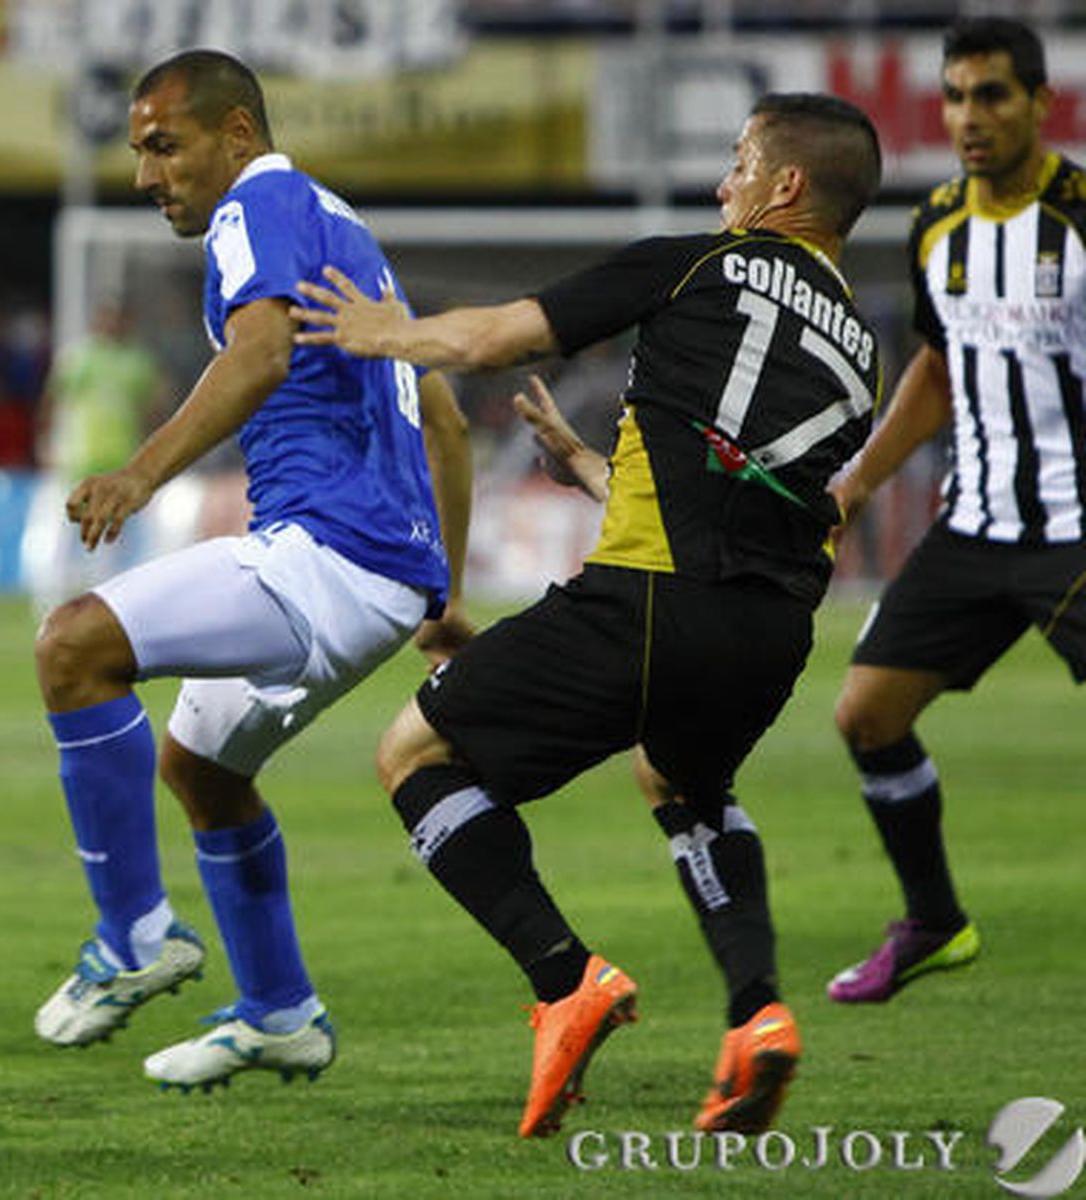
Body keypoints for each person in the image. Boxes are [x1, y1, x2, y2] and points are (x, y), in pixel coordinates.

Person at [293, 93, 882, 1136]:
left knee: (414, 754)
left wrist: (387, 333)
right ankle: (756, 1016)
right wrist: (596, 471)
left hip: (645, 603)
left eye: (740, 162)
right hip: (769, 635)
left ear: (784, 185)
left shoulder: (694, 261)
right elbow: (746, 503)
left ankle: (565, 982)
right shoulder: (856, 355)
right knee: (681, 777)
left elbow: (495, 338)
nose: (723, 185)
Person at [31, 48, 474, 1093]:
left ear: (235, 135)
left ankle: (133, 936)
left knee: (72, 647)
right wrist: (443, 594)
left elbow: (260, 354)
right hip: (382, 571)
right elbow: (444, 417)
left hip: (323, 551)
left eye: (162, 145)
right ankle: (280, 1012)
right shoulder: (349, 235)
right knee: (202, 771)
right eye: (139, 151)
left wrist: (139, 475)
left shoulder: (258, 203)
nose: (146, 176)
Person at [824, 18, 1086, 1005]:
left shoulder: (1079, 217)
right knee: (865, 714)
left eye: (991, 96)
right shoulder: (936, 222)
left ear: (1038, 103)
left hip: (1075, 531)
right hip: (974, 529)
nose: (968, 117)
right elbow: (935, 369)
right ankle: (932, 922)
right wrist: (856, 483)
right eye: (954, 97)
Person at [22, 303, 166, 609]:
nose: (112, 324)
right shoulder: (79, 357)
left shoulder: (137, 362)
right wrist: (45, 443)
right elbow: (51, 401)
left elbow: (154, 406)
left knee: (110, 542)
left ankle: (105, 604)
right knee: (60, 534)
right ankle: (48, 599)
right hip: (75, 462)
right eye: (107, 317)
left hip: (119, 463)